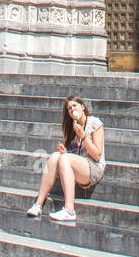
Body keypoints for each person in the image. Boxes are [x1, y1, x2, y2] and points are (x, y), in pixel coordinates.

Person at [27, 95, 105, 224]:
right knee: (54, 156)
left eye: (75, 106)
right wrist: (66, 152)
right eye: (69, 108)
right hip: (80, 169)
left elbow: (97, 155)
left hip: (94, 169)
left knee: (64, 158)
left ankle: (70, 210)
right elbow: (75, 156)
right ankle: (38, 204)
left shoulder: (95, 123)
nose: (72, 109)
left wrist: (83, 136)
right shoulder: (73, 129)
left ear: (82, 107)